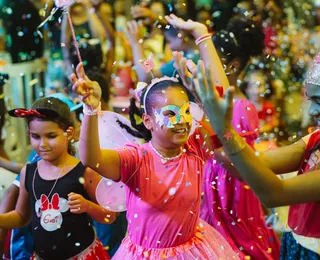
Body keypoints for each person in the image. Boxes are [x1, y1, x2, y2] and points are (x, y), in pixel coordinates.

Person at [71, 62, 239, 259]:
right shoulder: (135, 159)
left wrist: (202, 90)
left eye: (186, 111)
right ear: (148, 121)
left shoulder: (194, 149)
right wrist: (90, 109)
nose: (182, 120)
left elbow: (222, 106)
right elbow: (91, 158)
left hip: (193, 251)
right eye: (170, 113)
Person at [165, 14, 280, 259]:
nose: (205, 67)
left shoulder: (243, 106)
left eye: (212, 62)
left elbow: (240, 162)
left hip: (234, 189)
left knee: (237, 243)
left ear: (233, 66)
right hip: (213, 182)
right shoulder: (213, 101)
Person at [193, 49, 320, 259]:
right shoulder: (316, 139)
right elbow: (253, 167)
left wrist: (225, 131)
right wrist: (209, 122)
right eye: (311, 100)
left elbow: (274, 193)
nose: (313, 112)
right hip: (296, 246)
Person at [0, 96, 116, 259]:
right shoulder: (29, 172)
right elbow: (21, 217)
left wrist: (87, 206)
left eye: (51, 136)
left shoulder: (84, 171)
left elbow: (109, 216)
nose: (43, 144)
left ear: (68, 133)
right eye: (36, 136)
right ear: (29, 134)